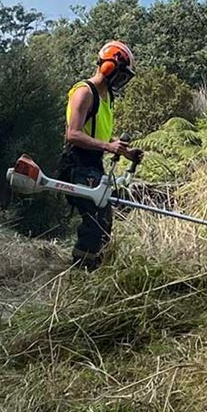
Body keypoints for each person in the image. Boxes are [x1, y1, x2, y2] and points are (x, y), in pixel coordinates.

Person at [61, 40, 143, 268]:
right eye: (120, 73)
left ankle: (92, 266)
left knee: (104, 220)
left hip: (93, 165)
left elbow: (100, 136)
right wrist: (108, 147)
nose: (121, 80)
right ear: (108, 66)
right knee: (96, 219)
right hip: (76, 164)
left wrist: (124, 152)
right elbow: (74, 135)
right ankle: (81, 271)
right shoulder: (84, 92)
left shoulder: (108, 97)